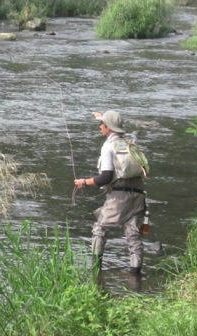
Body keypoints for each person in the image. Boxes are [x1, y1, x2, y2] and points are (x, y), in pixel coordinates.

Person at [74, 110, 146, 274]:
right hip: (138, 195)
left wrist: (84, 182)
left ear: (108, 127)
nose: (100, 127)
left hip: (119, 197)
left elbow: (105, 177)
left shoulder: (107, 147)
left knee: (99, 229)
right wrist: (102, 116)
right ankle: (135, 275)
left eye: (102, 124)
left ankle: (95, 271)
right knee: (133, 236)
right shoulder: (131, 141)